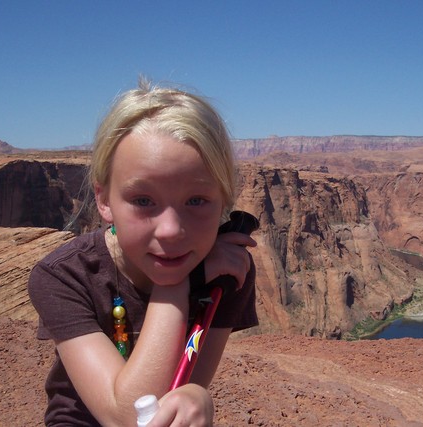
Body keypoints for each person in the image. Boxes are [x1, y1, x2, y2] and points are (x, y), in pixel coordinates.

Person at [28, 78, 258, 426]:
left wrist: (197, 397)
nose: (170, 230)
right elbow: (124, 417)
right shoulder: (63, 276)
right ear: (104, 200)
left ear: (223, 201)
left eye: (196, 201)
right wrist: (178, 284)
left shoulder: (229, 273)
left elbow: (184, 384)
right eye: (143, 201)